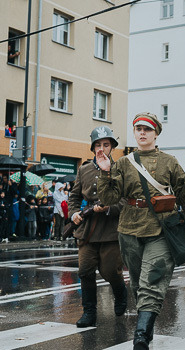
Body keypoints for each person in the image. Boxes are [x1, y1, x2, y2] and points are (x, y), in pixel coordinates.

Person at [97, 112, 185, 350]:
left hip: (161, 229)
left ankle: (141, 336)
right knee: (137, 282)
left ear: (156, 134)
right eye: (138, 129)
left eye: (147, 129)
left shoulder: (169, 161)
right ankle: (147, 326)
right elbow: (109, 199)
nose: (142, 133)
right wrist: (105, 173)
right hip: (129, 229)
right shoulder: (123, 163)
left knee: (152, 279)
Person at [70, 126, 128, 328]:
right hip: (87, 229)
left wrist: (110, 207)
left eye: (106, 144)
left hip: (111, 230)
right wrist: (74, 213)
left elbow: (126, 199)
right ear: (92, 147)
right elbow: (74, 196)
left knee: (110, 271)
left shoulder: (120, 169)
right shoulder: (84, 169)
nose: (102, 148)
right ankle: (89, 313)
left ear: (112, 147)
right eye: (98, 145)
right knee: (85, 271)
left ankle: (121, 294)